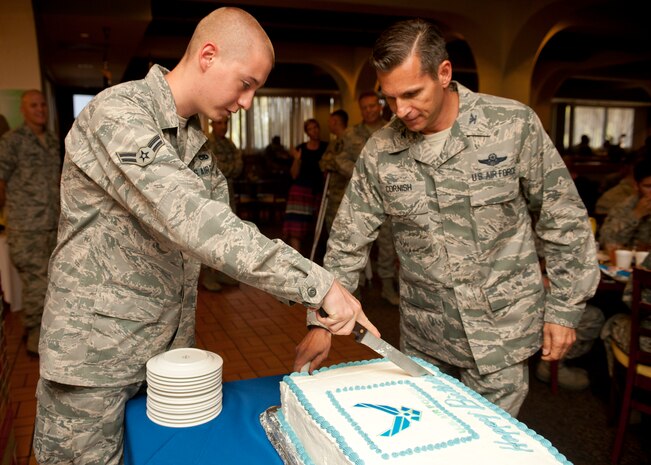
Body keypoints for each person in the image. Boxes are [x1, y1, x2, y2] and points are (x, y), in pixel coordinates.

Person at [33, 8, 378, 464]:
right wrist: (318, 285)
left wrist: (316, 307)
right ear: (209, 56)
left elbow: (230, 242)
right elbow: (195, 221)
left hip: (169, 363)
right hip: (94, 362)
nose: (248, 102)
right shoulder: (118, 114)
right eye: (247, 83)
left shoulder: (196, 148)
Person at [295, 18, 599, 417]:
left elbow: (564, 218)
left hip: (501, 332)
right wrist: (320, 321)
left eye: (412, 94)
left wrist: (564, 309)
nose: (400, 110)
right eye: (389, 98)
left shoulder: (511, 126)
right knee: (429, 436)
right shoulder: (381, 150)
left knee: (489, 445)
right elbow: (348, 240)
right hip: (426, 338)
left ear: (444, 73)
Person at [321, 91, 400, 305]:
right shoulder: (350, 134)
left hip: (387, 199)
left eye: (373, 106)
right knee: (355, 244)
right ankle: (352, 291)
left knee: (387, 245)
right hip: (359, 200)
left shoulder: (392, 130)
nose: (369, 110)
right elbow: (338, 159)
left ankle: (387, 286)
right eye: (365, 107)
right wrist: (360, 173)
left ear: (380, 105)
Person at [0, 90, 61, 356]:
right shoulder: (11, 141)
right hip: (26, 226)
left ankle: (43, 329)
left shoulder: (51, 140)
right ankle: (36, 337)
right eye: (33, 106)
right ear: (23, 111)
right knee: (37, 283)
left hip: (52, 223)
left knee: (51, 281)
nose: (40, 110)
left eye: (42, 105)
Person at [200, 115, 243, 291]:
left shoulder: (229, 144)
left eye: (225, 123)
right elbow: (213, 169)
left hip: (228, 193)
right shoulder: (206, 142)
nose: (223, 126)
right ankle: (207, 275)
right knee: (210, 233)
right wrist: (229, 167)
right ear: (212, 124)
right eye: (219, 123)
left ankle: (220, 272)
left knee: (226, 232)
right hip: (209, 194)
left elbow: (239, 167)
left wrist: (228, 167)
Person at [283, 118, 328, 254]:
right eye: (310, 129)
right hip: (300, 189)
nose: (314, 131)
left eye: (316, 127)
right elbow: (294, 174)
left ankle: (316, 256)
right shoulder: (301, 148)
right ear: (306, 132)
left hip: (319, 190)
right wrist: (297, 159)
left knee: (318, 225)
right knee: (296, 226)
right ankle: (296, 256)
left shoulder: (326, 147)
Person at [598, 158, 651, 256]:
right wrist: (636, 215)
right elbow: (607, 242)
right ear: (636, 186)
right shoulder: (625, 207)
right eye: (648, 187)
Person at [319, 109, 349, 232]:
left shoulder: (350, 140)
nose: (328, 124)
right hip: (333, 193)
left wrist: (333, 164)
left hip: (344, 194)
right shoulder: (334, 142)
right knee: (331, 227)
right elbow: (323, 162)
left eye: (329, 121)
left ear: (336, 122)